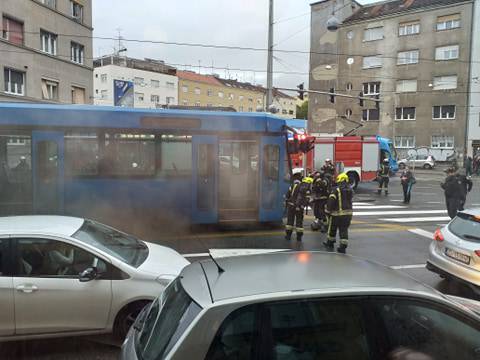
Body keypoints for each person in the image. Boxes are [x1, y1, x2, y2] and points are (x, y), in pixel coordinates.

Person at [323, 173, 353, 254]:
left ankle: (330, 243)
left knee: (332, 229)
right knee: (344, 230)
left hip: (337, 215)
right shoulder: (350, 190)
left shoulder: (336, 190)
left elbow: (331, 200)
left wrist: (328, 210)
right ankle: (343, 247)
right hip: (348, 215)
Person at [285, 175, 312, 241]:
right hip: (300, 207)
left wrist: (288, 202)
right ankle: (299, 237)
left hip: (291, 206)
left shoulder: (293, 186)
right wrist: (303, 205)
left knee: (290, 221)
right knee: (299, 221)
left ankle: (288, 236)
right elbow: (307, 199)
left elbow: (287, 195)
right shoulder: (306, 188)